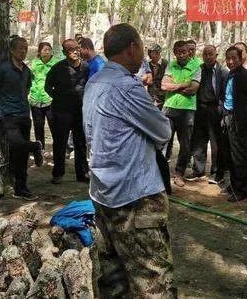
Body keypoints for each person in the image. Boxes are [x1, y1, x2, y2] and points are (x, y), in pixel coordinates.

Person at [83, 23, 174, 297]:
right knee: (153, 280)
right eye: (142, 48)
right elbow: (163, 130)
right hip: (134, 197)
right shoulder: (127, 87)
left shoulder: (94, 82)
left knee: (114, 278)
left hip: (102, 193)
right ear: (132, 48)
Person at [0, 36, 43, 200]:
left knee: (20, 153)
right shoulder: (3, 69)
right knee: (16, 143)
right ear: (11, 50)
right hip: (8, 116)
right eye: (20, 48)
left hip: (24, 114)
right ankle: (36, 146)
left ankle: (21, 188)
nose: (23, 51)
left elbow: (25, 90)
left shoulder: (26, 70)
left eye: (25, 48)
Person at [45, 39, 90, 184]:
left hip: (80, 111)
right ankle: (58, 173)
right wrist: (59, 98)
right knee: (60, 143)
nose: (76, 52)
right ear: (65, 53)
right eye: (71, 50)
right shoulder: (58, 68)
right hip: (61, 112)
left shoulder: (85, 67)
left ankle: (82, 173)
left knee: (81, 143)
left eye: (77, 48)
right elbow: (47, 87)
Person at [221, 45, 247, 202]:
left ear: (241, 59)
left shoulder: (244, 76)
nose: (230, 62)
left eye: (234, 59)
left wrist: (245, 118)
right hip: (227, 117)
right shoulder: (230, 75)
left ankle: (242, 190)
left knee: (239, 156)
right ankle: (233, 185)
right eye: (228, 59)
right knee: (230, 155)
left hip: (239, 121)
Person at [161, 40, 201, 186]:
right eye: (178, 52)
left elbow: (193, 89)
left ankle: (179, 174)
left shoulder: (196, 65)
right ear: (175, 53)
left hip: (187, 109)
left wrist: (174, 86)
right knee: (164, 141)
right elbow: (164, 85)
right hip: (169, 107)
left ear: (188, 52)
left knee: (185, 144)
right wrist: (183, 84)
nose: (181, 55)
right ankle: (162, 173)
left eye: (184, 52)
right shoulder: (171, 65)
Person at [190, 45, 227, 182]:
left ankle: (216, 172)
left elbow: (224, 92)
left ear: (216, 55)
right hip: (200, 108)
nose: (208, 57)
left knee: (216, 142)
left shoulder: (222, 71)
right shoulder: (199, 69)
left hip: (215, 109)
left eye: (210, 54)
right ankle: (198, 171)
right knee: (199, 140)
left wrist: (222, 109)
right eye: (205, 54)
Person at [28, 42, 59, 150]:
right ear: (39, 52)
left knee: (54, 127)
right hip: (35, 100)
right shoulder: (34, 63)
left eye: (49, 49)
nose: (47, 51)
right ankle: (40, 150)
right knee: (38, 127)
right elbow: (30, 79)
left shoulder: (56, 64)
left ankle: (58, 149)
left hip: (51, 100)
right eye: (45, 49)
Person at [145, 44, 168, 109]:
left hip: (162, 97)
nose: (149, 54)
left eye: (151, 52)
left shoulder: (166, 64)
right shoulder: (148, 64)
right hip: (150, 96)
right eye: (149, 52)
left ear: (157, 53)